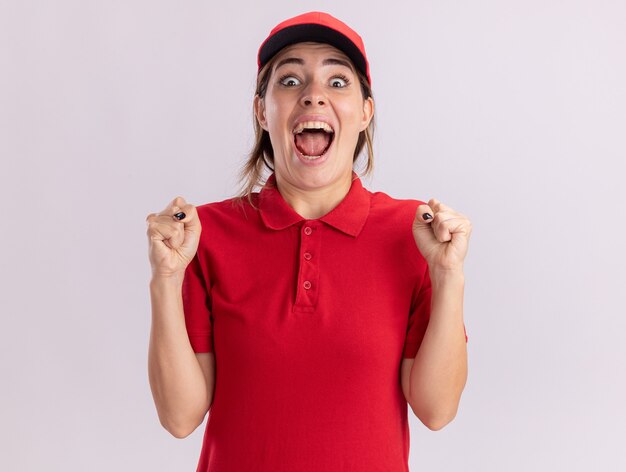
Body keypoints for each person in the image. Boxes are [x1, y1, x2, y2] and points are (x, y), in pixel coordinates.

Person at [146, 11, 472, 472]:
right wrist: (164, 278)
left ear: (365, 112)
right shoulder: (205, 234)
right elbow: (180, 418)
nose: (313, 95)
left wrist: (448, 275)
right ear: (262, 111)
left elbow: (436, 410)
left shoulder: (415, 233)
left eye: (338, 81)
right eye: (291, 80)